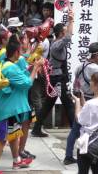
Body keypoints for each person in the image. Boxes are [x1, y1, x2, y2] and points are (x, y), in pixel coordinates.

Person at [0, 38, 42, 173]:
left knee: (13, 135)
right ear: (17, 52)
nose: (23, 53)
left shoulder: (5, 63)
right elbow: (27, 83)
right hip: (8, 109)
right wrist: (35, 68)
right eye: (21, 50)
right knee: (1, 140)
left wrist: (30, 67)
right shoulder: (11, 68)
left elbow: (22, 77)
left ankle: (16, 161)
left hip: (11, 108)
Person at [32, 9, 75, 137]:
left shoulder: (57, 44)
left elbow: (67, 37)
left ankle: (36, 128)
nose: (67, 31)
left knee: (48, 104)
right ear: (61, 32)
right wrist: (71, 20)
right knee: (68, 104)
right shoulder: (56, 45)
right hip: (57, 79)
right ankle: (75, 131)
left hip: (56, 78)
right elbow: (68, 38)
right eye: (65, 30)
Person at [63, 43, 98, 166]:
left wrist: (77, 98)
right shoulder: (97, 69)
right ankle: (93, 157)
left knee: (75, 130)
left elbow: (76, 85)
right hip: (92, 101)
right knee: (94, 130)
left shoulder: (79, 67)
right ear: (96, 55)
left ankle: (68, 156)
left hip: (80, 100)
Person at [74, 72, 98, 174]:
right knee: (97, 171)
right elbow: (92, 115)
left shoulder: (91, 104)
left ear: (97, 86)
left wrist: (77, 102)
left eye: (92, 81)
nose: (90, 82)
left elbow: (79, 119)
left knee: (83, 171)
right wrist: (83, 99)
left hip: (87, 144)